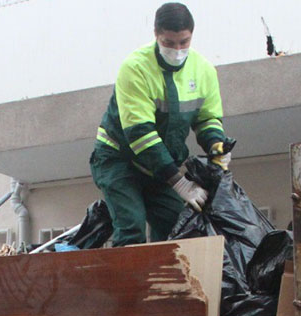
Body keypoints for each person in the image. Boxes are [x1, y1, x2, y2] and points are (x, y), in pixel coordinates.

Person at [90, 2, 231, 247]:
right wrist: (180, 183)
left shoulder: (203, 70)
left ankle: (168, 283)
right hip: (119, 160)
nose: (177, 49)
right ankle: (130, 284)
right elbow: (141, 135)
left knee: (180, 228)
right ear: (156, 35)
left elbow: (207, 118)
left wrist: (216, 144)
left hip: (160, 168)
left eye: (183, 42)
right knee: (131, 226)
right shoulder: (135, 68)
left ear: (191, 36)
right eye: (168, 42)